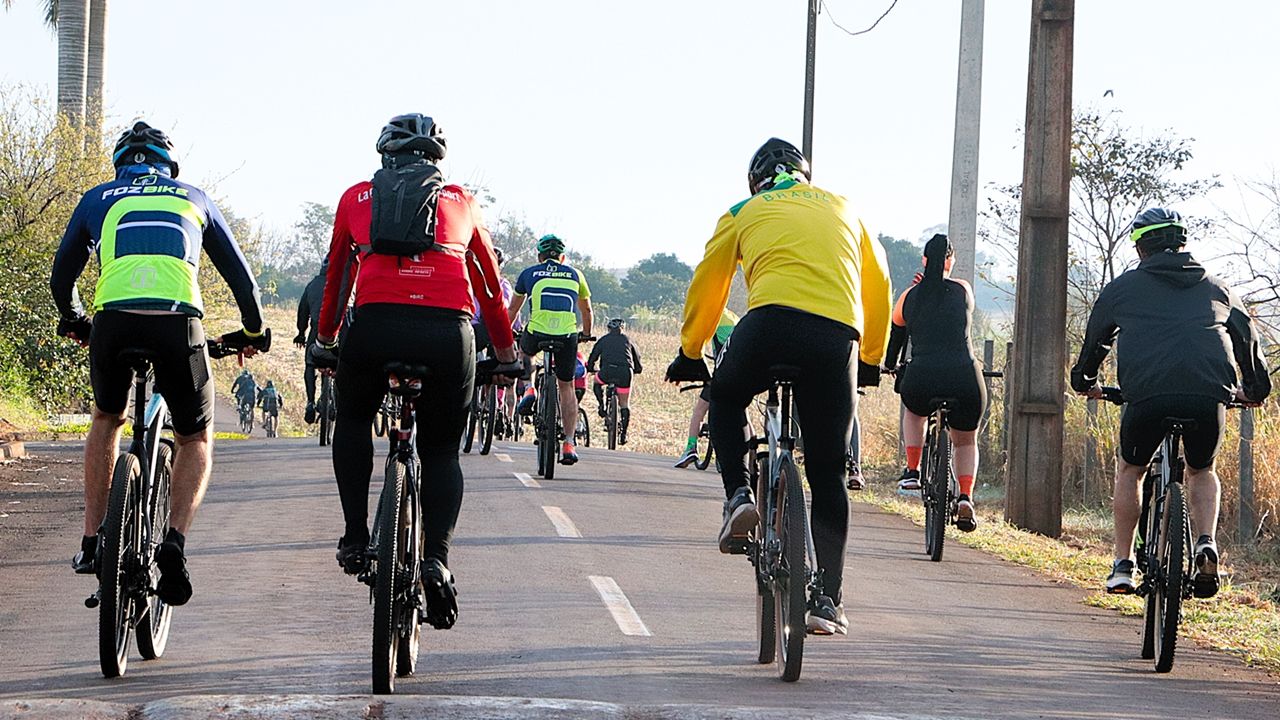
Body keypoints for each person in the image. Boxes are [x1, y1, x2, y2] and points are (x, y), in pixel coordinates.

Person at [665, 137, 892, 636]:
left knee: (724, 398)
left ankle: (739, 496)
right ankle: (827, 599)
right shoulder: (845, 208)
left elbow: (709, 283)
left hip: (766, 327)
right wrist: (872, 358)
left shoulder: (743, 210)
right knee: (829, 474)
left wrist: (690, 349)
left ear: (756, 181)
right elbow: (878, 285)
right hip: (836, 339)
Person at [313, 114, 519, 630]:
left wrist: (325, 340)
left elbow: (337, 277)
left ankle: (356, 536)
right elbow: (491, 289)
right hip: (448, 334)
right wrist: (507, 352)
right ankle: (436, 558)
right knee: (442, 449)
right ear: (437, 160)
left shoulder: (357, 197)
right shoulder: (463, 202)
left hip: (375, 328)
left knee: (355, 419)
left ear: (386, 156)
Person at [51, 120, 268, 606]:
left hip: (113, 324)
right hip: (177, 326)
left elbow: (62, 276)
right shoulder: (194, 198)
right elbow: (243, 282)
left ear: (120, 163)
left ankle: (91, 541)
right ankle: (173, 542)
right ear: (169, 165)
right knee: (194, 436)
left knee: (107, 418)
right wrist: (252, 332)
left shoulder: (98, 198)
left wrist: (75, 319)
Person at [1069, 208, 1270, 598]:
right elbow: (1247, 341)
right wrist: (1255, 391)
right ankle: (1205, 543)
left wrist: (1086, 382)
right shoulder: (1218, 288)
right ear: (1181, 243)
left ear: (1141, 247)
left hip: (1146, 395)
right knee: (1201, 470)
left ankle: (1123, 564)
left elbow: (1096, 342)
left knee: (1131, 469)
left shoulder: (1122, 288)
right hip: (1207, 394)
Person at [882, 234, 986, 531]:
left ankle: (912, 471)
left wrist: (890, 366)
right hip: (963, 377)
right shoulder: (964, 290)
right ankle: (965, 496)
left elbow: (896, 338)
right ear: (950, 262)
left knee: (914, 411)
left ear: (924, 261)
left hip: (922, 377)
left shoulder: (909, 297)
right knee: (965, 439)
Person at [508, 234, 594, 465]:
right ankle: (568, 443)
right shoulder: (576, 275)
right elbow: (586, 311)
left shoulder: (529, 274)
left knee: (524, 353)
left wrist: (505, 331)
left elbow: (513, 309)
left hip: (537, 333)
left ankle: (529, 389)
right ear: (563, 257)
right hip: (566, 336)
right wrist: (585, 334)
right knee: (566, 386)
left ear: (539, 255)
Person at [675, 308, 737, 468]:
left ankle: (691, 448)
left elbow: (695, 344)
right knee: (741, 414)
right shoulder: (733, 318)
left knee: (699, 410)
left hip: (723, 372)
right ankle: (750, 455)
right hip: (741, 372)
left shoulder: (712, 315)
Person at [588, 318, 643, 445]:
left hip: (607, 371)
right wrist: (638, 370)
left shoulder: (603, 340)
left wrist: (591, 368)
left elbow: (593, 355)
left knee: (597, 382)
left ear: (609, 329)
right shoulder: (629, 340)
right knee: (624, 404)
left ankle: (601, 406)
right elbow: (637, 359)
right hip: (625, 373)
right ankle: (623, 433)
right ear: (622, 329)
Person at [295, 260, 327, 423]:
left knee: (310, 364)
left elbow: (303, 312)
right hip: (338, 332)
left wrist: (301, 333)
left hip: (316, 331)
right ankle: (329, 399)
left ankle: (310, 402)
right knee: (340, 365)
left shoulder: (312, 285)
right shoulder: (344, 282)